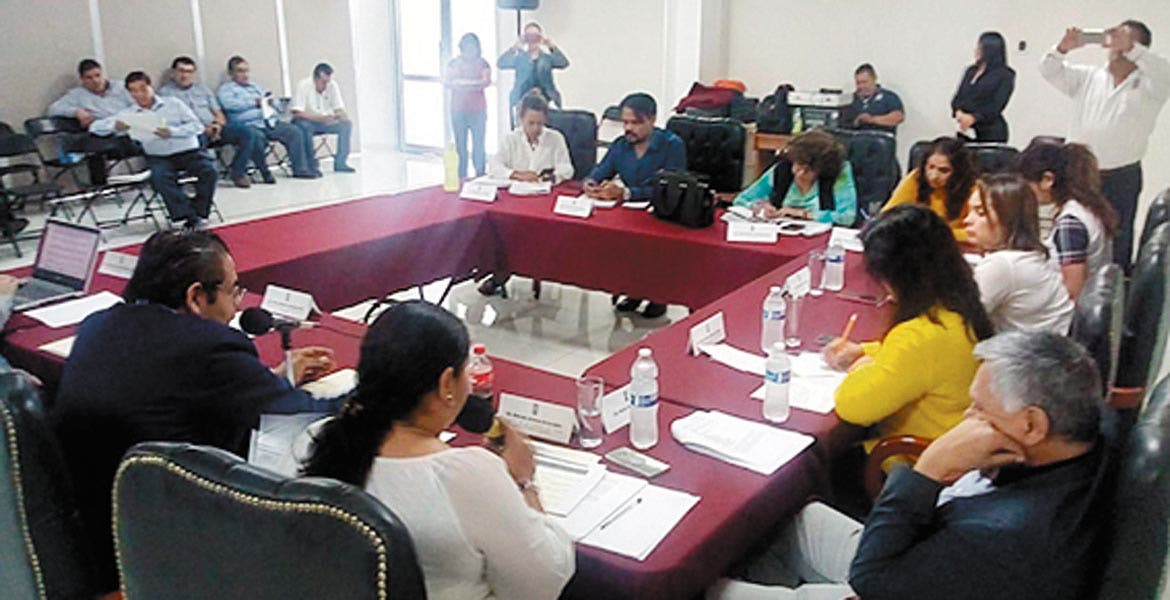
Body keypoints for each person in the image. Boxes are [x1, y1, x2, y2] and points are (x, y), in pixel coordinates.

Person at [714, 331, 1107, 600]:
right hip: (929, 560)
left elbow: (870, 582)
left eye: (979, 409)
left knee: (711, 590)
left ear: (1032, 425)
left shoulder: (1004, 537)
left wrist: (928, 471)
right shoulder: (1085, 440)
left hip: (893, 577)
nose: (967, 417)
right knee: (796, 519)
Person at [52, 230, 341, 594]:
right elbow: (301, 420)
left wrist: (271, 378)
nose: (235, 309)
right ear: (196, 297)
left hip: (87, 533)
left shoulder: (99, 324)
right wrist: (379, 387)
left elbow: (172, 386)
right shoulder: (211, 347)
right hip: (165, 550)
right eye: (233, 292)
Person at [300, 300, 575, 600]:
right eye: (466, 371)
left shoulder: (315, 440)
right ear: (446, 384)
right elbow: (542, 584)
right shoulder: (466, 474)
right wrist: (524, 483)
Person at [824, 206, 994, 450]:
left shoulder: (920, 334)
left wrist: (860, 367)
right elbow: (915, 361)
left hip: (916, 455)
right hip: (954, 441)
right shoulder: (957, 307)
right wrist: (864, 351)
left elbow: (852, 407)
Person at [1040, 21, 1170, 272]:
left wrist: (1132, 49)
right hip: (1080, 172)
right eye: (1115, 41)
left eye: (1126, 41)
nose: (1117, 48)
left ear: (1140, 48)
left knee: (1117, 238)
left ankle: (1114, 288)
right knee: (1073, 230)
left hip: (1121, 175)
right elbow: (1048, 70)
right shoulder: (1088, 77)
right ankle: (1071, 281)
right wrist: (1062, 48)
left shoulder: (1151, 85)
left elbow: (1165, 71)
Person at [584, 92, 686, 319]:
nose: (629, 128)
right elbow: (599, 172)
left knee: (652, 244)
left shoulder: (672, 145)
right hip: (630, 214)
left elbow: (670, 188)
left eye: (636, 123)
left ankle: (658, 295)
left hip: (662, 212)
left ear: (652, 119)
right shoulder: (621, 145)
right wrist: (591, 184)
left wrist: (626, 193)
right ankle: (634, 291)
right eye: (625, 122)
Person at [89, 71, 218, 230]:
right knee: (159, 178)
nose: (139, 94)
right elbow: (95, 127)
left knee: (209, 171)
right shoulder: (129, 113)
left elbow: (197, 126)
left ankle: (200, 212)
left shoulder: (174, 104)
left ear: (151, 87)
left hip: (188, 151)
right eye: (134, 91)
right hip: (159, 156)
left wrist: (173, 132)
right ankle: (187, 216)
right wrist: (115, 126)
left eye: (143, 89)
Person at [479, 92, 573, 297]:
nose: (536, 128)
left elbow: (567, 169)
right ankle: (502, 271)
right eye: (531, 123)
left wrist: (550, 176)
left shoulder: (555, 138)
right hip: (515, 199)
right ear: (521, 119)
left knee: (538, 230)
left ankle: (536, 266)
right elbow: (494, 165)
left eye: (540, 123)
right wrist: (516, 174)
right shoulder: (511, 139)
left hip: (544, 199)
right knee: (503, 228)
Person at [964, 173, 1074, 333]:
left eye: (980, 212)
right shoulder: (1029, 255)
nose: (967, 220)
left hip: (1032, 348)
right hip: (1052, 344)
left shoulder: (1002, 264)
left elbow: (959, 321)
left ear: (1007, 219)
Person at [1016, 142, 1117, 301]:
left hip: (1069, 312)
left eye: (1026, 185)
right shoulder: (1088, 207)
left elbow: (1074, 291)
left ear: (1047, 180)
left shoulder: (1070, 223)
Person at [160, 55, 274, 187]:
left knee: (247, 133)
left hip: (214, 128)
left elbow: (218, 113)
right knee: (197, 139)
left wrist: (217, 125)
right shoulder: (166, 93)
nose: (185, 75)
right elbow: (168, 121)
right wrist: (202, 129)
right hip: (191, 132)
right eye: (181, 71)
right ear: (173, 73)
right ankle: (203, 179)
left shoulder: (202, 89)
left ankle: (238, 172)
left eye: (189, 72)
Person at [217, 55, 316, 178]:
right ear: (231, 73)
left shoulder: (256, 87)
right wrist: (254, 103)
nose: (245, 75)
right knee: (256, 137)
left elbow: (269, 99)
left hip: (268, 122)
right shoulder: (226, 90)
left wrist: (274, 102)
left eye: (247, 71)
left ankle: (300, 169)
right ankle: (262, 172)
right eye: (240, 71)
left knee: (293, 131)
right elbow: (229, 105)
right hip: (248, 125)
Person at [732, 129, 858, 226]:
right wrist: (758, 206)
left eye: (808, 169)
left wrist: (802, 214)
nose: (799, 173)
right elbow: (741, 200)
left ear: (823, 169)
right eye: (798, 165)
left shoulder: (840, 173)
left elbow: (847, 217)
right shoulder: (782, 169)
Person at [47, 58, 136, 186]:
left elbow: (139, 105)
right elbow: (53, 109)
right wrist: (76, 111)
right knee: (93, 146)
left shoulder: (122, 88)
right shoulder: (77, 95)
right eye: (89, 78)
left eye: (97, 75)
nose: (95, 81)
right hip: (105, 134)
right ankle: (100, 187)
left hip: (129, 131)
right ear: (82, 79)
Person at [883, 136, 977, 240]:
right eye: (931, 167)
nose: (934, 176)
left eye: (944, 170)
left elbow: (979, 234)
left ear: (958, 172)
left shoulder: (974, 189)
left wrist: (936, 234)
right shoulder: (916, 177)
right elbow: (886, 218)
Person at [291, 62, 355, 174]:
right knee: (304, 127)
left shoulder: (332, 85)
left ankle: (341, 162)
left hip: (325, 121)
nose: (326, 86)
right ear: (315, 78)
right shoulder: (304, 85)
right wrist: (318, 118)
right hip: (309, 121)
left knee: (346, 124)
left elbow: (339, 108)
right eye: (323, 82)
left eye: (328, 81)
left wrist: (340, 116)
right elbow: (297, 113)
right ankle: (311, 164)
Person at [951, 32, 1016, 142]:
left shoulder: (1005, 74)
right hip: (965, 129)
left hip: (990, 131)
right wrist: (958, 112)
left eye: (980, 47)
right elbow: (958, 96)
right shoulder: (971, 71)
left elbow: (997, 105)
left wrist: (974, 118)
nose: (976, 50)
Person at [497, 22, 569, 121]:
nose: (533, 40)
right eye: (529, 37)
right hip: (522, 101)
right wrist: (515, 47)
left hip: (546, 101)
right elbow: (501, 63)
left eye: (536, 36)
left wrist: (551, 46)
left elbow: (563, 62)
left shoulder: (547, 59)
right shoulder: (520, 59)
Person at [445, 33, 492, 178]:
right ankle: (461, 176)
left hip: (478, 110)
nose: (470, 51)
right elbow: (448, 81)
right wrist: (470, 84)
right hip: (458, 110)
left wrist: (465, 83)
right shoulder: (454, 63)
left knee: (479, 145)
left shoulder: (483, 63)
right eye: (467, 47)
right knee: (460, 145)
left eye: (473, 48)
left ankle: (480, 174)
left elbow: (485, 81)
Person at [843, 63, 904, 132]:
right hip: (855, 136)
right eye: (858, 83)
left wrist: (872, 120)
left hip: (880, 136)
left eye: (864, 82)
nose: (861, 86)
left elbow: (898, 117)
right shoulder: (851, 99)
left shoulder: (888, 97)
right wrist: (856, 122)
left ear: (874, 79)